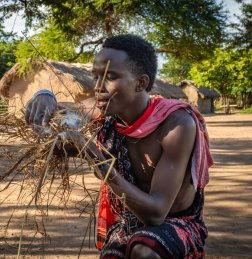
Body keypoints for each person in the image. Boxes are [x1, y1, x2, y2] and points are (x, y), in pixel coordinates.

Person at [25, 34, 213, 259]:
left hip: (176, 222)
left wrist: (96, 157)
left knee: (145, 250)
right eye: (95, 77)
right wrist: (44, 96)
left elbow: (156, 214)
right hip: (129, 223)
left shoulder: (176, 125)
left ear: (140, 83)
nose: (97, 87)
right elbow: (65, 110)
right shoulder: (105, 110)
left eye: (109, 77)